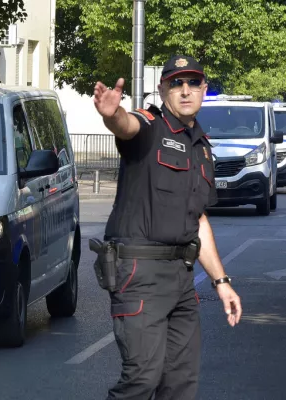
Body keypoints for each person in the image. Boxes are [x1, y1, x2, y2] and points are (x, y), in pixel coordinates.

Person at [92, 55, 242, 400]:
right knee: (142, 379)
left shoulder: (202, 149)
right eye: (176, 83)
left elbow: (198, 219)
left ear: (204, 89)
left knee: (180, 384)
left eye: (193, 83)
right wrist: (113, 114)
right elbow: (126, 126)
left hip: (181, 277)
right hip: (140, 273)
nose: (185, 91)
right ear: (163, 90)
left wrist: (221, 282)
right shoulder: (150, 127)